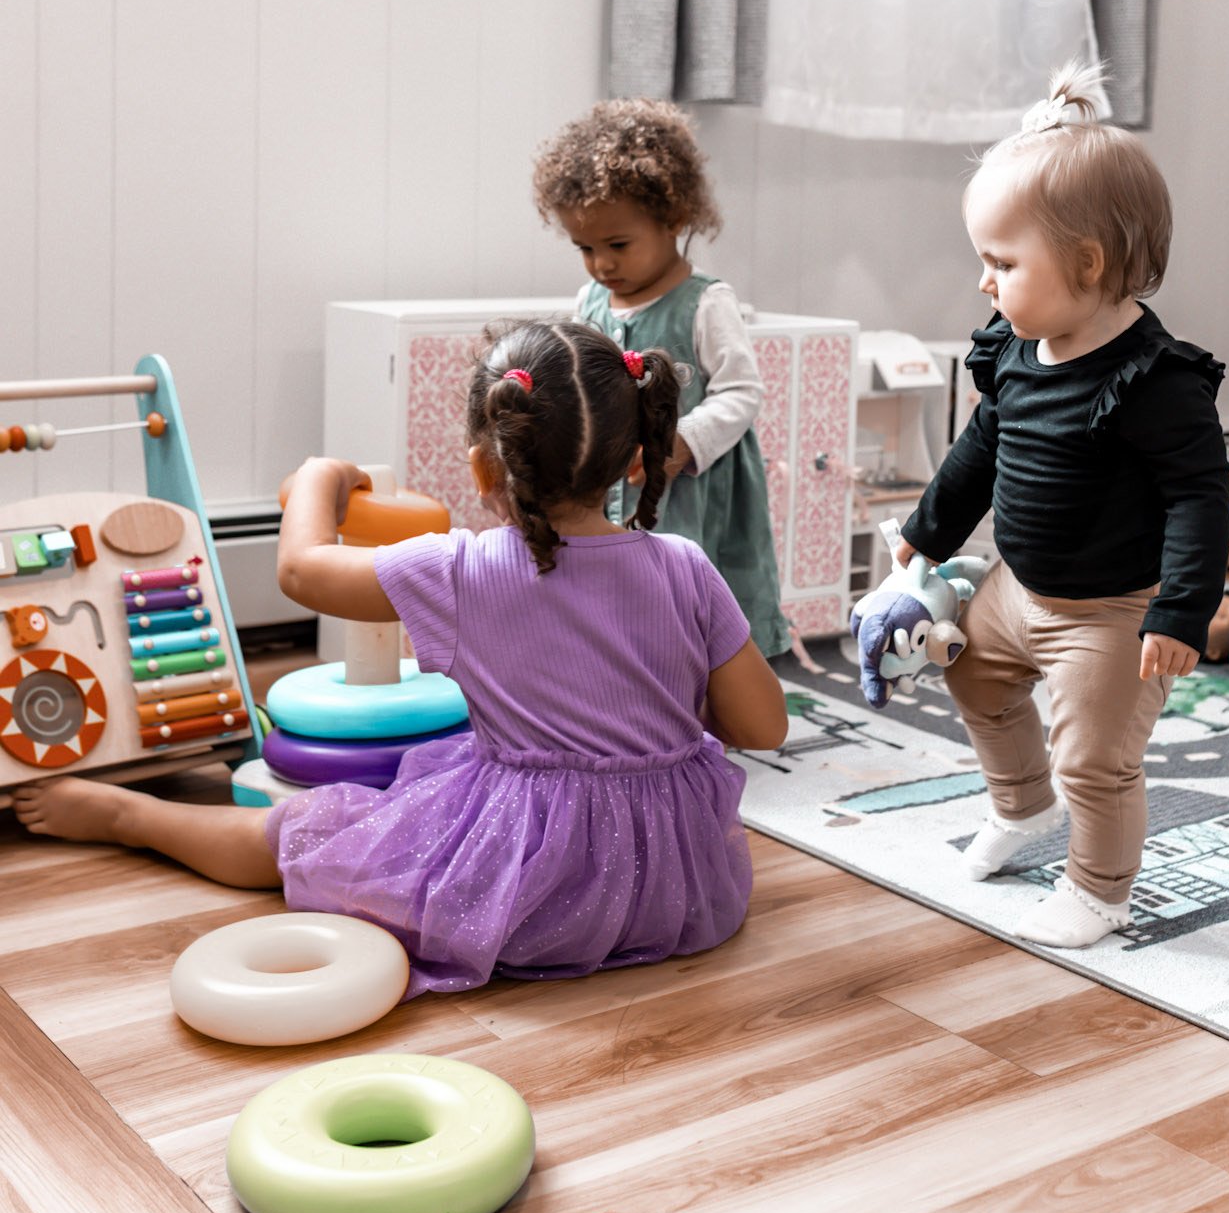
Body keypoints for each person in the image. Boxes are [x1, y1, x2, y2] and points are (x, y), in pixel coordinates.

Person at [13, 321, 787, 996]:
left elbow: (301, 570)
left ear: (486, 471)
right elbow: (762, 725)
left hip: (525, 881)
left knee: (302, 834)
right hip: (672, 882)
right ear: (634, 461)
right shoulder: (684, 565)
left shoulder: (462, 570)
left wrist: (317, 479)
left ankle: (130, 815)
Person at [894, 61, 1229, 949]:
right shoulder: (1014, 347)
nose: (983, 283)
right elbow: (980, 447)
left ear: (1087, 263)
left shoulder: (1155, 383)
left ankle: (1100, 889)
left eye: (1001, 263)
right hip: (1018, 588)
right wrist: (925, 531)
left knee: (1097, 759)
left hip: (1111, 614)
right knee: (971, 672)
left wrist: (1180, 613)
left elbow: (1200, 498)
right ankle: (1022, 807)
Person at [532, 98, 790, 660]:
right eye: (585, 249)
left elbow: (742, 391)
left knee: (689, 599)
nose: (602, 264)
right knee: (618, 596)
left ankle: (703, 696)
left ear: (674, 218)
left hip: (694, 488)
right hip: (612, 480)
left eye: (617, 245)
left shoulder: (705, 303)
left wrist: (682, 443)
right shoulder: (590, 301)